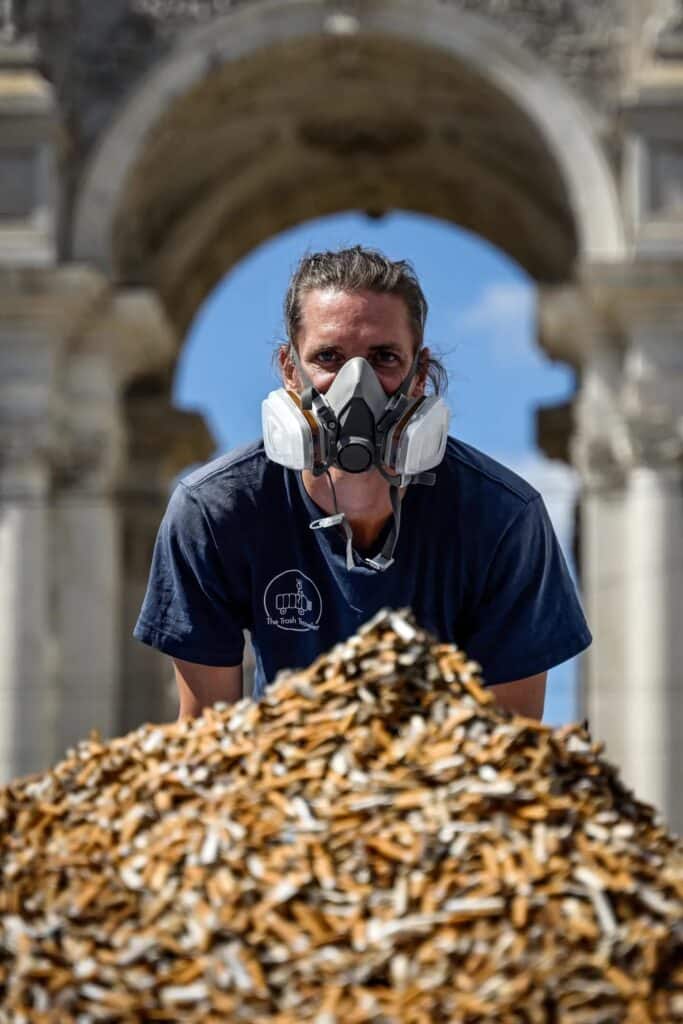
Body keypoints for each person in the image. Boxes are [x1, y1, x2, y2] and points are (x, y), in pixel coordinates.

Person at [133, 246, 592, 722]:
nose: (357, 385)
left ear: (420, 375)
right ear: (290, 370)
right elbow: (208, 737)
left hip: (444, 791)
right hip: (278, 787)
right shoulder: (214, 512)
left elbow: (511, 747)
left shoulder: (503, 519)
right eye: (329, 357)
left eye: (385, 358)